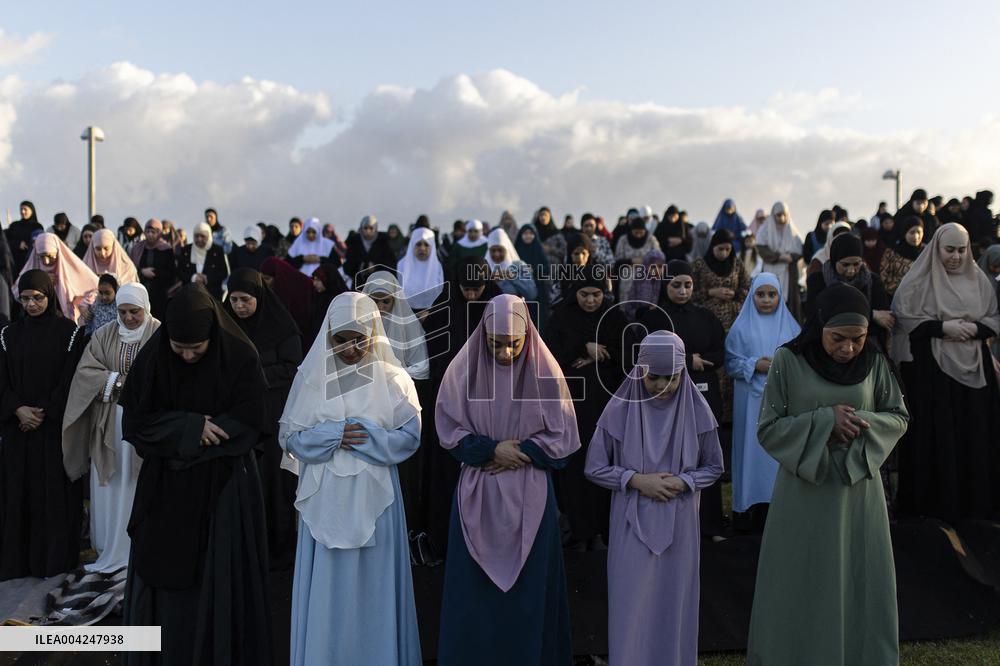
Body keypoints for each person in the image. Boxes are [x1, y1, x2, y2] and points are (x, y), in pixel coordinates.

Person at [747, 283, 909, 665]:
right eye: (838, 338)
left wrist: (858, 421)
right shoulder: (788, 360)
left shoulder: (874, 362)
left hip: (858, 496)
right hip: (804, 493)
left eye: (858, 338)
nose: (848, 348)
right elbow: (768, 427)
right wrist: (824, 422)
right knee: (801, 577)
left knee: (859, 577)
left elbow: (898, 416)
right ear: (819, 325)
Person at [120, 284, 272, 665]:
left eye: (197, 349)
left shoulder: (239, 356)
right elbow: (137, 422)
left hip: (222, 488)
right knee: (162, 584)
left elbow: (251, 421)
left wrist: (196, 438)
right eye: (179, 348)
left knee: (216, 580)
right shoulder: (155, 358)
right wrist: (189, 428)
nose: (187, 356)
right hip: (166, 490)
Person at [279, 292, 422, 665]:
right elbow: (290, 438)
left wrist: (365, 436)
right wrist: (333, 435)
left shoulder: (394, 378)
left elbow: (410, 436)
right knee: (328, 588)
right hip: (325, 499)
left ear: (374, 333)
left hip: (376, 502)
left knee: (374, 586)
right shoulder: (311, 378)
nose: (351, 347)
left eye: (360, 338)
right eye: (341, 339)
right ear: (328, 334)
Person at [435, 294, 578, 666]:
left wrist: (522, 452)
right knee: (476, 596)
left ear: (527, 335)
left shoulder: (544, 372)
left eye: (513, 344)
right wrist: (490, 450)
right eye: (495, 344)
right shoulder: (462, 371)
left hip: (529, 495)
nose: (504, 353)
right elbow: (450, 431)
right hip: (478, 495)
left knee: (529, 594)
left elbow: (562, 439)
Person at [585, 331, 724, 666]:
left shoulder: (696, 410)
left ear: (683, 373)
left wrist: (684, 481)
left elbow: (714, 466)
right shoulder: (619, 409)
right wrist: (635, 480)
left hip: (681, 524)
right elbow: (594, 467)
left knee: (674, 602)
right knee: (631, 601)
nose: (663, 385)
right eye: (654, 377)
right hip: (631, 522)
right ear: (639, 371)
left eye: (672, 377)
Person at [58, 283, 159, 622]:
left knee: (136, 480)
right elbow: (86, 371)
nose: (129, 318)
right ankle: (110, 548)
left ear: (146, 308)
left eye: (135, 312)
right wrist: (117, 381)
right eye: (123, 312)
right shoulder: (103, 334)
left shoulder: (159, 332)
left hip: (143, 426)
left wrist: (135, 387)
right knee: (112, 480)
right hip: (109, 422)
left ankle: (137, 548)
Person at [892, 223, 1000, 522]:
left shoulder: (979, 281)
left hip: (975, 371)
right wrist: (941, 327)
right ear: (936, 248)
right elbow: (904, 317)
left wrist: (975, 329)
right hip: (932, 374)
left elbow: (993, 316)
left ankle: (974, 504)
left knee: (973, 434)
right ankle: (937, 506)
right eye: (949, 249)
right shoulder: (919, 281)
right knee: (939, 436)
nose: (955, 256)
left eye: (961, 250)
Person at [0, 270, 85, 580]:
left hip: (52, 431)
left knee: (53, 498)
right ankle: (16, 563)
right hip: (17, 431)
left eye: (37, 297)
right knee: (18, 495)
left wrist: (43, 412)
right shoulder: (9, 335)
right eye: (25, 299)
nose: (31, 304)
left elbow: (72, 378)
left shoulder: (69, 332)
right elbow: (2, 380)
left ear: (49, 296)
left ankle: (53, 563)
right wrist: (17, 409)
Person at [634, 260, 727, 538]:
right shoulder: (652, 316)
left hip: (704, 389)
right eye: (676, 285)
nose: (683, 290)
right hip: (664, 396)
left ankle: (709, 524)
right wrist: (688, 360)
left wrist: (701, 362)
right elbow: (641, 353)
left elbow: (720, 352)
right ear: (665, 285)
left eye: (688, 285)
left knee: (703, 452)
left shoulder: (705, 316)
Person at [223, 268, 303, 570]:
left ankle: (278, 547)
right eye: (234, 300)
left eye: (245, 300)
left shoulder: (282, 327)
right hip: (239, 417)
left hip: (273, 416)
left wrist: (254, 377)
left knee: (273, 483)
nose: (239, 306)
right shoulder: (226, 324)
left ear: (259, 297)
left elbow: (292, 366)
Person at [545, 265, 627, 551]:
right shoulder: (561, 318)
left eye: (596, 294)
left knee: (605, 461)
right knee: (577, 464)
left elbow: (628, 355)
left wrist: (597, 355)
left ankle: (604, 530)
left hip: (607, 405)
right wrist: (584, 346)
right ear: (574, 292)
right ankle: (580, 530)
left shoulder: (615, 317)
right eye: (584, 294)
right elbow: (550, 355)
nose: (591, 301)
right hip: (572, 406)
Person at [725, 273, 800, 531]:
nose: (767, 300)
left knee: (777, 454)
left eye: (772, 294)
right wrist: (753, 364)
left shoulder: (791, 328)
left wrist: (779, 365)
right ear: (751, 295)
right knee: (750, 453)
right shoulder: (741, 327)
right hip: (750, 403)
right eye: (760, 294)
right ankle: (749, 510)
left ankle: (780, 508)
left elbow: (801, 362)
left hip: (781, 402)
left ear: (780, 296)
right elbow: (730, 363)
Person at [807, 234, 894, 334]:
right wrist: (872, 315)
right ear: (834, 260)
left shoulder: (873, 281)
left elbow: (883, 317)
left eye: (856, 264)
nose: (851, 271)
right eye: (845, 265)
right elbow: (816, 314)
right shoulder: (817, 281)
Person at [15, 232, 99, 322]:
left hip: (69, 321)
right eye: (41, 257)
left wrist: (84, 304)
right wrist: (40, 280)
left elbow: (96, 286)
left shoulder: (71, 267)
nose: (46, 261)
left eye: (50, 256)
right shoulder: (33, 265)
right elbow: (17, 292)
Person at [755, 201, 804, 321]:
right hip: (770, 270)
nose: (782, 218)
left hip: (788, 273)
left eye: (784, 215)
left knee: (789, 303)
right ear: (773, 215)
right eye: (778, 215)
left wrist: (791, 257)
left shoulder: (792, 230)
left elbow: (799, 249)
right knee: (770, 299)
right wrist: (779, 257)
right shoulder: (765, 229)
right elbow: (761, 248)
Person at [260, 257, 315, 347]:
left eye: (266, 278)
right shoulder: (272, 290)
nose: (262, 283)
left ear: (279, 276)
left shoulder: (304, 286)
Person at [129, 219, 176, 319]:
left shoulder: (166, 249)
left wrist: (155, 273)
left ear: (159, 233)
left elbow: (171, 272)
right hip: (140, 292)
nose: (150, 235)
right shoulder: (138, 248)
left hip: (160, 294)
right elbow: (131, 268)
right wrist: (142, 272)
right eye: (148, 231)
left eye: (153, 232)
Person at [397, 227, 445, 313]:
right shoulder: (401, 265)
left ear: (432, 247)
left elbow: (441, 298)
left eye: (426, 245)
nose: (422, 248)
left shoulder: (438, 267)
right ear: (412, 245)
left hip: (433, 314)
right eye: (418, 244)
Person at [177, 222, 230, 300]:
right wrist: (193, 277)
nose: (199, 239)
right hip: (190, 294)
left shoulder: (217, 250)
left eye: (202, 236)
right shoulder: (186, 250)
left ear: (208, 236)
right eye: (196, 236)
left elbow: (223, 272)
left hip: (212, 295)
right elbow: (179, 271)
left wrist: (207, 278)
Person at [614, 217, 661, 303]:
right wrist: (631, 261)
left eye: (641, 232)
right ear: (631, 231)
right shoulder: (623, 240)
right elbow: (617, 263)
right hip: (626, 281)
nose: (638, 235)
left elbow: (659, 260)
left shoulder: (651, 240)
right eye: (636, 232)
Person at [343, 215, 397, 287]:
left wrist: (376, 267)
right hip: (359, 284)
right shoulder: (354, 242)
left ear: (375, 229)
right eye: (365, 228)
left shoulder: (384, 243)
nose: (368, 231)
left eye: (371, 228)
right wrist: (359, 267)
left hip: (379, 285)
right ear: (361, 228)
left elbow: (391, 265)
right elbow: (347, 266)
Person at [485, 228, 537, 301]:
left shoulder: (519, 266)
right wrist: (489, 280)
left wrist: (512, 276)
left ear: (507, 249)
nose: (496, 254)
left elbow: (531, 294)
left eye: (500, 250)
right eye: (493, 251)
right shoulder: (484, 268)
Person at [879, 217, 924, 297]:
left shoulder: (926, 252)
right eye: (912, 232)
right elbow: (884, 278)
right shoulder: (892, 253)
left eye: (919, 232)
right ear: (904, 233)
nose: (916, 236)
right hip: (897, 299)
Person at [307, 266, 349, 345]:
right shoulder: (318, 297)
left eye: (318, 280)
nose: (314, 283)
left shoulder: (341, 299)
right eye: (314, 279)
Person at [623, 249, 666, 322]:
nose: (657, 270)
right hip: (639, 321)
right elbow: (628, 307)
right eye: (653, 267)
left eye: (660, 266)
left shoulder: (665, 283)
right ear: (646, 266)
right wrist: (642, 312)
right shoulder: (638, 281)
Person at [7, 200, 44, 274]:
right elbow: (6, 241)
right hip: (15, 263)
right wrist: (18, 244)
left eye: (25, 209)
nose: (23, 212)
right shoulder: (14, 226)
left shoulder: (37, 227)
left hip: (31, 262)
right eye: (21, 209)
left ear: (31, 211)